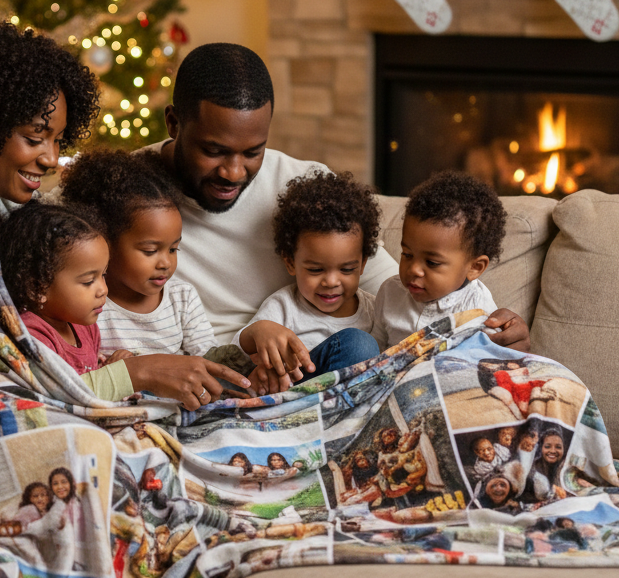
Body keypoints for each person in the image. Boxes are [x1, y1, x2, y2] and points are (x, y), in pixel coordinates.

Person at [0, 20, 248, 410]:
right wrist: (134, 374)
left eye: (58, 140)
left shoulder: (13, 211)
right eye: (35, 138)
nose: (51, 159)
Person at [143, 43, 530, 352]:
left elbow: (399, 291)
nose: (234, 172)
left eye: (252, 152)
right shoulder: (133, 194)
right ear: (174, 123)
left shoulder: (302, 185)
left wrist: (498, 333)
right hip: (205, 372)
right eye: (213, 151)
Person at [56, 148, 215, 358]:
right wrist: (112, 368)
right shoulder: (89, 309)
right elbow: (81, 367)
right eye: (150, 251)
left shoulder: (182, 298)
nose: (166, 263)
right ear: (105, 244)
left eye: (173, 249)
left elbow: (211, 359)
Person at [235, 169, 381, 393]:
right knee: (359, 344)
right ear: (291, 263)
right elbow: (236, 353)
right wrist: (259, 331)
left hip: (357, 395)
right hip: (295, 392)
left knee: (362, 345)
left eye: (347, 269)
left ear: (362, 265)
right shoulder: (286, 305)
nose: (331, 282)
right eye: (315, 270)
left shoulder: (375, 310)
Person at [0, 201, 133, 393]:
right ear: (37, 288)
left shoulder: (86, 327)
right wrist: (116, 376)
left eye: (103, 275)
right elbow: (62, 394)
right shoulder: (33, 336)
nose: (103, 290)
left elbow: (91, 375)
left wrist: (109, 366)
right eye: (88, 281)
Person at [372, 170, 507, 349]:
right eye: (407, 254)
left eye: (432, 263)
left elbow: (486, 358)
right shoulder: (389, 292)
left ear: (475, 267)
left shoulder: (479, 309)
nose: (413, 269)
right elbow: (376, 348)